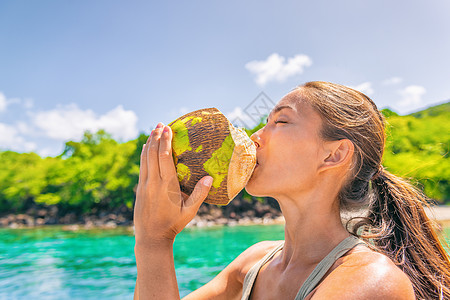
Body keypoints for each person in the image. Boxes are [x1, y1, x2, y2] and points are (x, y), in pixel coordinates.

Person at [133, 81, 450, 299]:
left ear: (333, 155)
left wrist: (154, 243)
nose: (255, 136)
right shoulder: (252, 263)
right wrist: (153, 237)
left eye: (280, 122)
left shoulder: (371, 282)